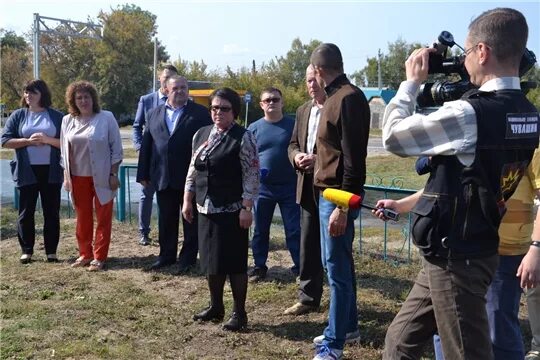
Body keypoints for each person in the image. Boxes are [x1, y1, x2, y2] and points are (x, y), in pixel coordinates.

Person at [379, 8, 539, 359]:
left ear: (482, 52)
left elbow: (392, 137)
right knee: (400, 341)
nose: (464, 62)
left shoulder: (471, 115)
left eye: (466, 53)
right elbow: (471, 178)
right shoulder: (528, 113)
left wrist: (410, 82)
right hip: (457, 249)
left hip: (459, 257)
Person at [310, 43, 371, 360]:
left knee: (337, 269)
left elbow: (353, 160)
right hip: (328, 194)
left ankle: (334, 344)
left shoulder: (347, 98)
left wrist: (343, 208)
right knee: (336, 265)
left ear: (319, 71)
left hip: (337, 197)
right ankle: (347, 327)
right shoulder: (334, 98)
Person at [182, 87, 259, 331]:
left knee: (234, 263)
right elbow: (193, 169)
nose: (218, 113)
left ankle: (239, 312)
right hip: (205, 208)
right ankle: (216, 306)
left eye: (224, 109)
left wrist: (247, 207)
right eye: (214, 108)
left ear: (234, 111)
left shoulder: (243, 137)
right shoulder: (201, 134)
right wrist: (187, 198)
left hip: (232, 210)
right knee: (210, 262)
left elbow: (252, 174)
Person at [136, 75, 212, 271]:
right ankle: (166, 256)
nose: (180, 91)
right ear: (166, 90)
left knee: (190, 220)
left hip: (192, 177)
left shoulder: (201, 113)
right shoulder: (154, 113)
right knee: (166, 219)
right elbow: (147, 144)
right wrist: (143, 172)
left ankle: (187, 258)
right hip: (163, 176)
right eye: (176, 88)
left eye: (183, 88)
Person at [60, 80, 123, 271]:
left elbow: (117, 149)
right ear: (73, 100)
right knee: (82, 217)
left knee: (103, 217)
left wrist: (113, 173)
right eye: (78, 97)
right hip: (77, 177)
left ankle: (99, 256)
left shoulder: (106, 118)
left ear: (92, 98)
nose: (83, 100)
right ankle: (85, 254)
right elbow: (63, 151)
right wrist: (66, 176)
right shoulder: (67, 120)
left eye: (86, 96)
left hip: (103, 176)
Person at [1, 79, 63, 263]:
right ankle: (27, 250)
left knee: (51, 211)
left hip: (51, 171)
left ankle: (51, 251)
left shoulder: (57, 116)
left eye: (33, 92)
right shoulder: (18, 115)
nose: (28, 96)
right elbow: (4, 141)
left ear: (42, 94)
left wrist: (46, 140)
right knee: (26, 211)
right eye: (26, 92)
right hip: (26, 170)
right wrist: (28, 141)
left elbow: (66, 143)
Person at [247, 87, 300, 281]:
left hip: (290, 187)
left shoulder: (293, 126)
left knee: (294, 229)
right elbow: (247, 157)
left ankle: (299, 267)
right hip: (263, 188)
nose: (271, 103)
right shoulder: (253, 128)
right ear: (261, 104)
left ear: (282, 102)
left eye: (275, 99)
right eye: (267, 100)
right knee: (260, 229)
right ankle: (259, 266)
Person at [284, 65, 325, 315]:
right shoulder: (303, 110)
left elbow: (343, 149)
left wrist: (317, 159)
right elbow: (292, 144)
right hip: (306, 183)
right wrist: (297, 156)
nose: (312, 85)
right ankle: (308, 297)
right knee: (308, 242)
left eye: (315, 79)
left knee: (334, 247)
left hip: (331, 185)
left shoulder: (336, 107)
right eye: (308, 80)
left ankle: (344, 301)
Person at [132, 64, 178, 246]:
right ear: (160, 78)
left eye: (171, 77)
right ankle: (143, 232)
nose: (168, 80)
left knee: (169, 197)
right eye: (165, 77)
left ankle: (167, 234)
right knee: (146, 194)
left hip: (171, 161)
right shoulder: (147, 100)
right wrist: (140, 148)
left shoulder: (181, 99)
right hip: (151, 158)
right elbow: (137, 126)